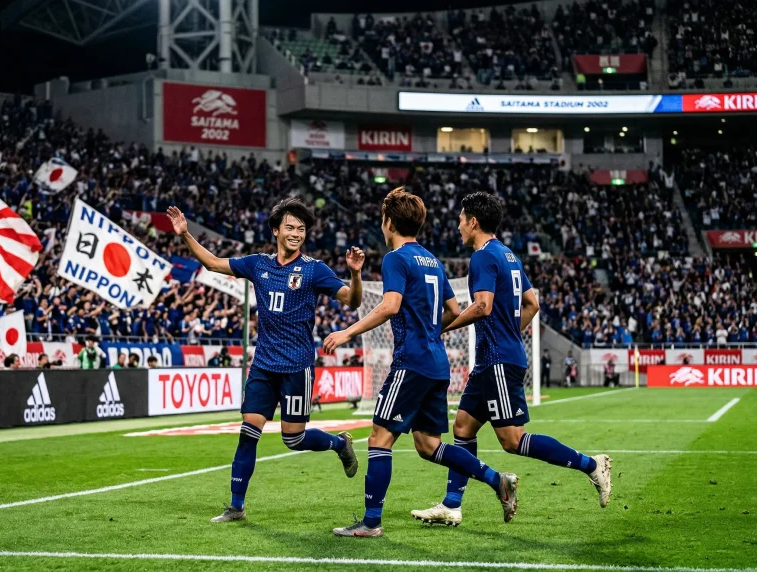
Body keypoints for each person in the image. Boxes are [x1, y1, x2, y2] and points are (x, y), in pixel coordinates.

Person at [323, 188, 518, 536]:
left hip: (411, 363)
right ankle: (496, 480)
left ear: (389, 222)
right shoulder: (432, 260)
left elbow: (390, 306)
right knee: (428, 445)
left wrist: (347, 332)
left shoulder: (395, 258)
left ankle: (371, 522)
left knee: (379, 438)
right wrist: (429, 331)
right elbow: (454, 311)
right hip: (436, 364)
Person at [413, 192, 611, 527]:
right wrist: (510, 332)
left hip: (499, 360)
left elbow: (482, 306)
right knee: (462, 427)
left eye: (461, 219)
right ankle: (452, 504)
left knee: (513, 440)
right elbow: (533, 304)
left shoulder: (482, 257)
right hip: (493, 359)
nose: (458, 226)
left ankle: (592, 465)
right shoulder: (508, 255)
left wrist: (441, 328)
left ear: (473, 221)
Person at [168, 198, 365, 524]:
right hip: (263, 365)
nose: (296, 233)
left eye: (301, 229)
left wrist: (355, 275)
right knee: (248, 432)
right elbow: (213, 263)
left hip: (297, 366)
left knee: (293, 439)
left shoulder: (314, 269)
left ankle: (338, 443)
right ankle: (236, 506)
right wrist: (185, 235)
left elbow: (352, 300)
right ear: (276, 230)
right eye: (290, 227)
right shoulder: (257, 264)